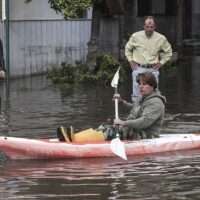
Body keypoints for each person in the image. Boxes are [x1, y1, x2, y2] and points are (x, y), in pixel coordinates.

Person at [57, 72, 166, 142]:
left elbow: (144, 122)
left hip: (146, 136)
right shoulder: (143, 97)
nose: (141, 87)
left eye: (144, 84)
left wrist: (124, 123)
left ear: (152, 86)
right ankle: (75, 137)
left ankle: (77, 139)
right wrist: (121, 102)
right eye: (140, 84)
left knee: (112, 131)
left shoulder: (156, 103)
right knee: (104, 126)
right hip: (132, 130)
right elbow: (136, 108)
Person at [125, 16, 172, 103]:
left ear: (154, 27)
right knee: (136, 94)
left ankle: (154, 112)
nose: (149, 29)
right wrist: (130, 61)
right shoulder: (135, 36)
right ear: (144, 26)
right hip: (138, 68)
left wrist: (161, 63)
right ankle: (136, 112)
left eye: (151, 27)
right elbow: (127, 49)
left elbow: (169, 52)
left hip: (152, 69)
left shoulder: (161, 38)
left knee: (154, 93)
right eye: (147, 26)